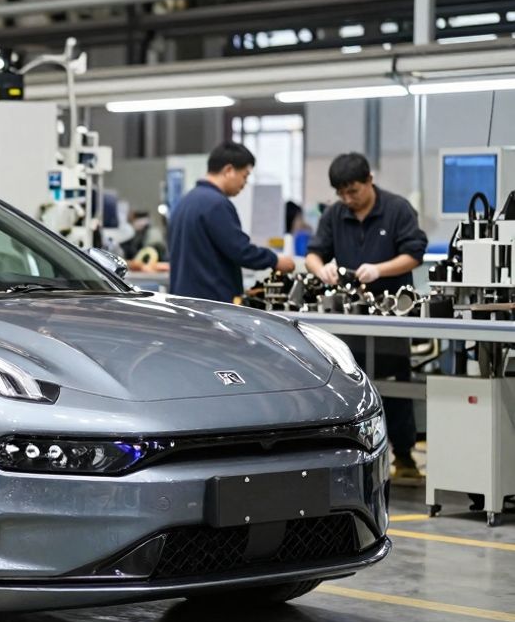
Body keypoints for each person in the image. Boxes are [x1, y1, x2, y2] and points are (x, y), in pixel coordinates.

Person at [306, 152, 427, 480]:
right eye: (341, 193)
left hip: (389, 317)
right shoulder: (335, 214)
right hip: (349, 318)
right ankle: (351, 456)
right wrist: (322, 270)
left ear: (370, 180)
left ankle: (404, 455)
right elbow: (314, 253)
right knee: (348, 385)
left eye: (353, 191)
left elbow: (414, 253)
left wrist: (379, 270)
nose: (348, 199)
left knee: (394, 382)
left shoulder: (397, 209)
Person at [168, 142, 295, 302]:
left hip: (184, 301)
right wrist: (275, 260)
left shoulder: (184, 202)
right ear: (229, 170)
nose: (244, 184)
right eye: (245, 176)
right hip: (211, 304)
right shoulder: (216, 204)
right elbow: (240, 250)